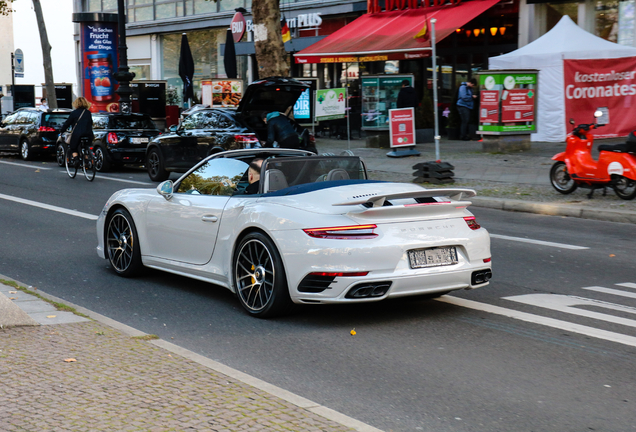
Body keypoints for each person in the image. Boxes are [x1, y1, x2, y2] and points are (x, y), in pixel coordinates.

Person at [60, 97, 94, 166]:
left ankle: (76, 159)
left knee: (73, 147)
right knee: (86, 146)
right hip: (88, 134)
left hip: (77, 134)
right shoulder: (88, 113)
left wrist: (62, 130)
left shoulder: (74, 113)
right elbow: (91, 123)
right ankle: (86, 159)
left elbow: (67, 123)